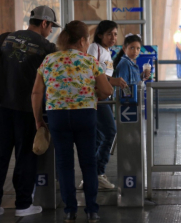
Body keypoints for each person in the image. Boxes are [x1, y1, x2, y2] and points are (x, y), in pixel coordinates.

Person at [0, 5, 58, 218]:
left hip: (0, 107)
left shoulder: (4, 38)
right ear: (44, 23)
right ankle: (23, 204)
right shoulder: (47, 47)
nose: (50, 31)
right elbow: (54, 80)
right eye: (51, 27)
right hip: (28, 110)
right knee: (25, 156)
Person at [32, 20, 113, 222]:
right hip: (84, 114)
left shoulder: (49, 60)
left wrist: (38, 121)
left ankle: (70, 210)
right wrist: (93, 96)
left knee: (64, 164)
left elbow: (36, 92)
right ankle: (92, 210)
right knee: (88, 162)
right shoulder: (89, 61)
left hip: (57, 115)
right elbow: (106, 90)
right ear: (83, 41)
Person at [84, 20, 127, 189]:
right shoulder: (94, 48)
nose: (113, 37)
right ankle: (98, 172)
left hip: (104, 98)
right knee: (110, 132)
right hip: (96, 99)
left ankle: (90, 175)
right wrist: (111, 80)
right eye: (109, 34)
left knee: (98, 138)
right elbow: (90, 72)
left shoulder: (107, 52)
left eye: (115, 34)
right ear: (100, 34)